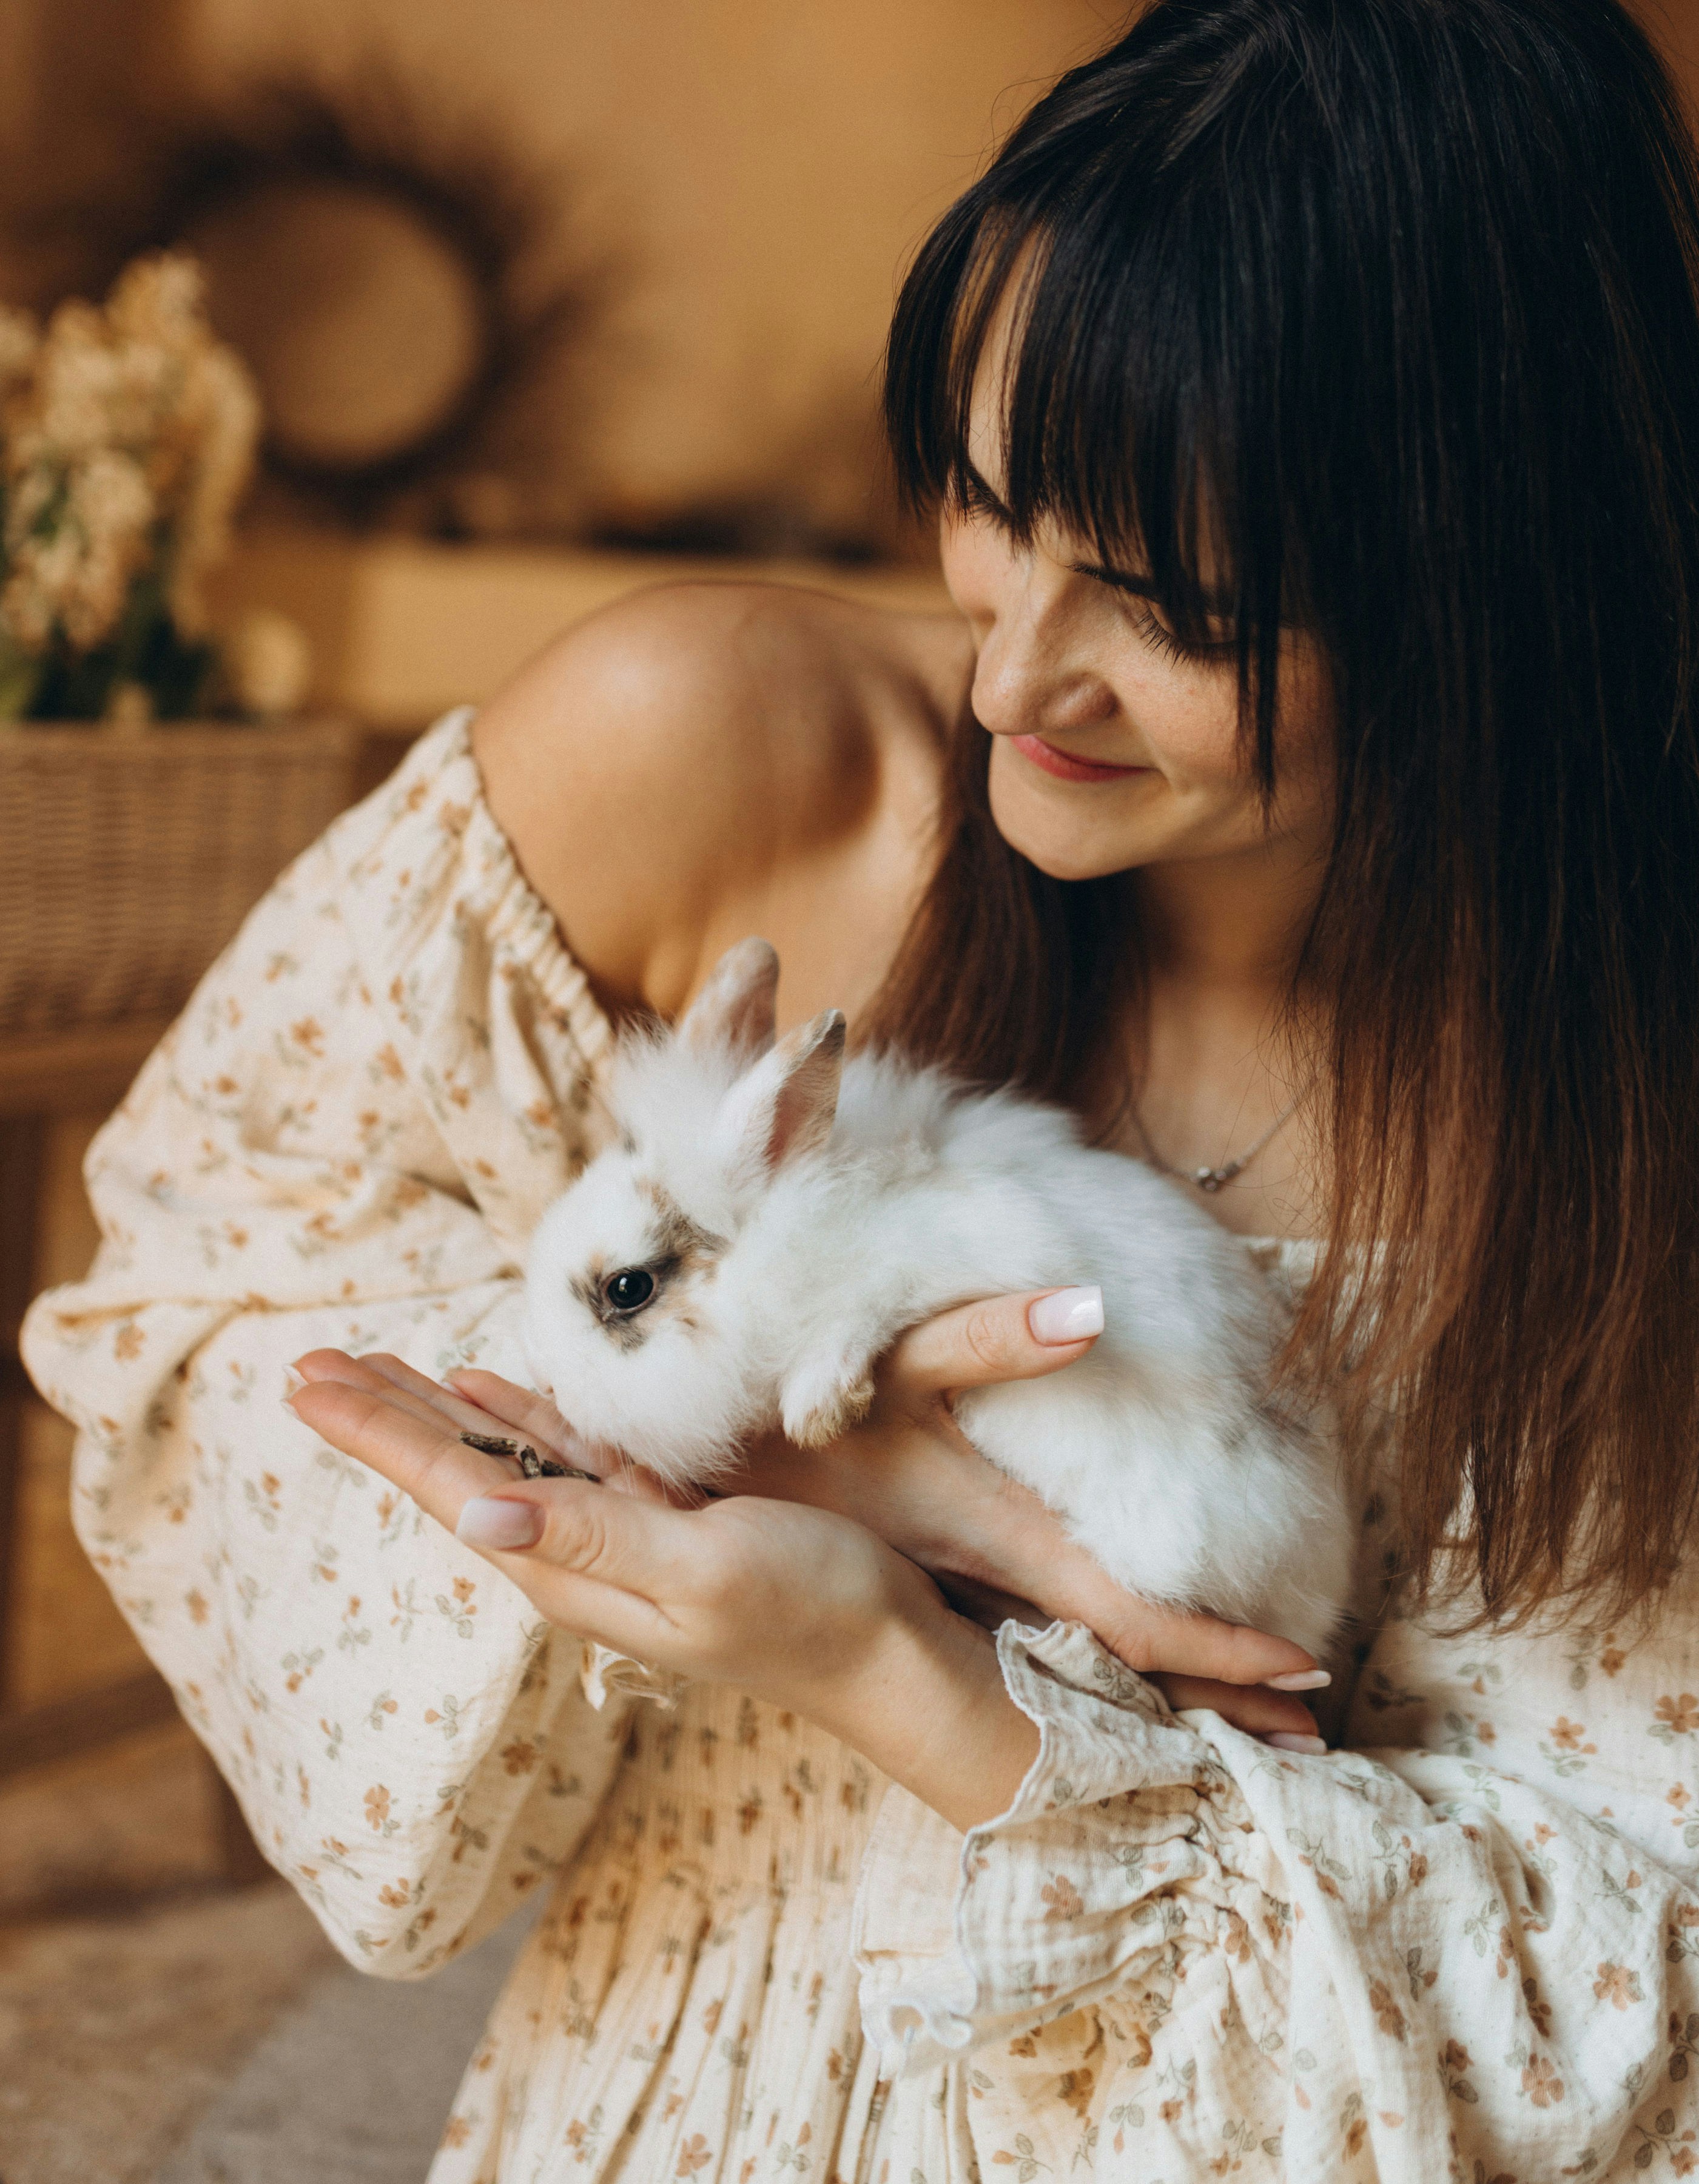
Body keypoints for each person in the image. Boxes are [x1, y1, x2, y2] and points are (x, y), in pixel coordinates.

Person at [25, 0, 1699, 2174]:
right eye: (987, 504)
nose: (1012, 672)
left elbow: (1625, 1986)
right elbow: (176, 1318)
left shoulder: (1623, 1087)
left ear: (1494, 593)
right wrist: (719, 1447)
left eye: (1168, 606)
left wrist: (917, 1675)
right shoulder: (709, 755)